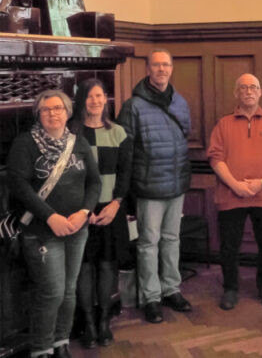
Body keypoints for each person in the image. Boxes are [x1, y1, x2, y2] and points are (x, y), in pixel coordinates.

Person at [7, 90, 101, 358]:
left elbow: (94, 182)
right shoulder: (25, 144)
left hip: (76, 229)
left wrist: (84, 211)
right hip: (41, 231)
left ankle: (61, 342)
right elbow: (20, 187)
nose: (52, 113)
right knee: (51, 292)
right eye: (46, 109)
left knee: (69, 291)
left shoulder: (78, 142)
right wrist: (51, 217)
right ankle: (41, 349)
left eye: (58, 108)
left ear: (67, 112)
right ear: (38, 114)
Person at [117, 48, 193, 324]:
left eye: (166, 65)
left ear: (172, 69)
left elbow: (185, 139)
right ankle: (151, 297)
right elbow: (125, 152)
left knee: (172, 240)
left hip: (177, 184)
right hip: (148, 187)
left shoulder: (181, 103)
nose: (162, 69)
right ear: (147, 69)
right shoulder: (132, 106)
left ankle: (171, 288)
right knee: (148, 244)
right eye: (156, 65)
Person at [207, 74, 262, 310]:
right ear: (236, 93)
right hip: (230, 195)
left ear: (260, 92)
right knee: (229, 247)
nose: (248, 91)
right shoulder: (223, 124)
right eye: (243, 87)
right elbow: (215, 157)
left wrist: (261, 183)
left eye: (253, 87)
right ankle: (230, 288)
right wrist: (235, 185)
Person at [69, 79, 132, 349]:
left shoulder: (118, 132)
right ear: (81, 100)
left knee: (107, 265)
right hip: (79, 210)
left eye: (100, 96)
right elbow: (69, 177)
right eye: (90, 96)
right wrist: (84, 209)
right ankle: (89, 325)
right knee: (83, 268)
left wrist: (116, 203)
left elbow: (126, 173)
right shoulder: (71, 133)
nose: (96, 101)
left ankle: (105, 321)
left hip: (110, 209)